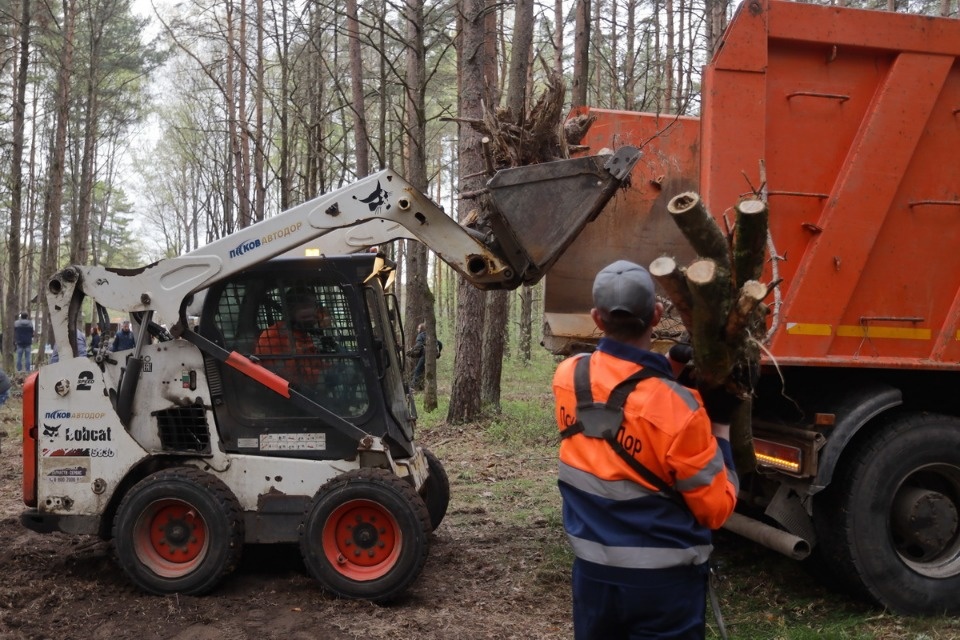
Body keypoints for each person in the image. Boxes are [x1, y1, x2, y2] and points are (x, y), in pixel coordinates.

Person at [552, 260, 738, 640]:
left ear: (597, 318)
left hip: (593, 576)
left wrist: (670, 367)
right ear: (656, 314)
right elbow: (715, 510)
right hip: (663, 589)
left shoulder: (569, 376)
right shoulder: (681, 409)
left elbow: (617, 404)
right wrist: (721, 427)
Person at [255, 289, 334, 382]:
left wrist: (334, 369)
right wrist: (323, 377)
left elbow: (314, 363)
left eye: (314, 306)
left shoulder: (301, 334)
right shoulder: (274, 336)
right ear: (291, 309)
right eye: (306, 306)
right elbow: (288, 374)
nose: (314, 313)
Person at [408, 322, 442, 391]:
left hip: (425, 354)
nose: (417, 329)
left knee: (417, 370)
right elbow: (440, 343)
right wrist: (439, 351)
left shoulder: (420, 335)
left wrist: (412, 350)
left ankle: (412, 386)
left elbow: (419, 345)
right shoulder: (431, 335)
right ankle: (425, 386)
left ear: (421, 329)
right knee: (425, 370)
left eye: (418, 328)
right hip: (433, 355)